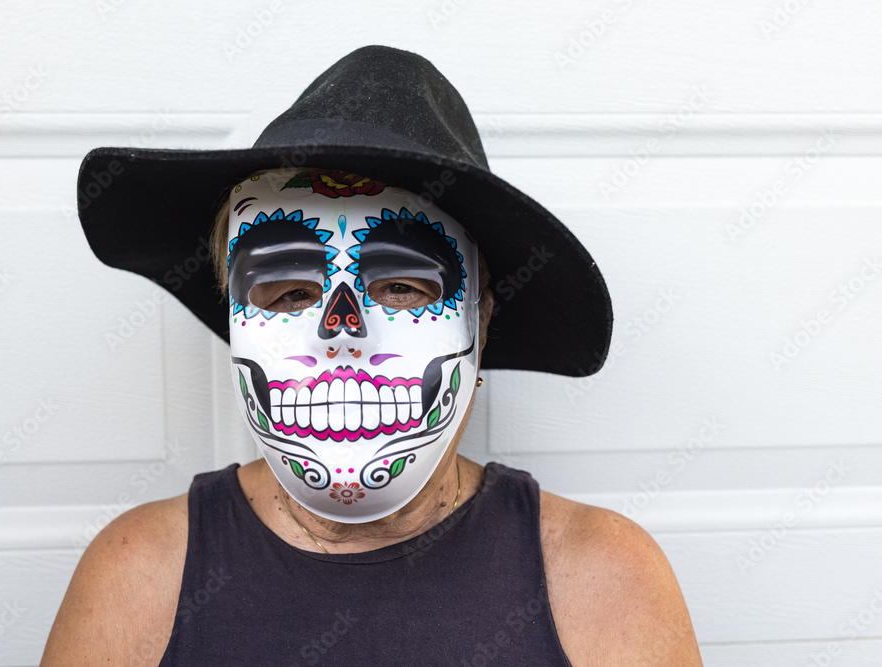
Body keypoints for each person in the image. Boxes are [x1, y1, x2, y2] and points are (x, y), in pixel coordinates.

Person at [41, 46, 703, 665]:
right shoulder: (139, 574)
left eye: (402, 285)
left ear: (483, 313)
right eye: (289, 290)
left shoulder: (604, 578)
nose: (341, 328)